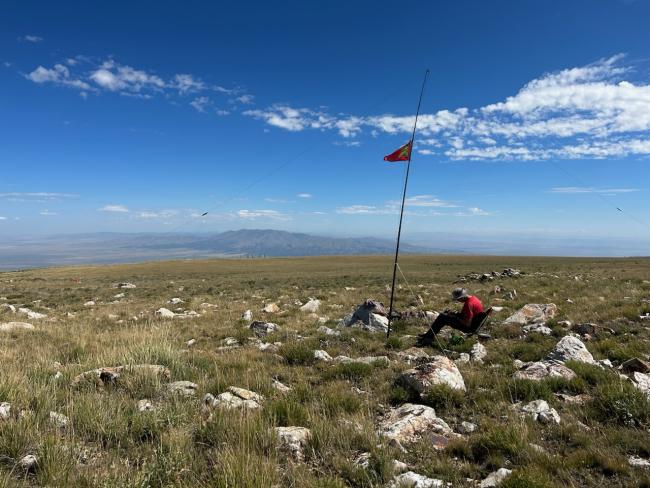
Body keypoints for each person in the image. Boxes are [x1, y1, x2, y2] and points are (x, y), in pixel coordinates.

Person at [416, 287, 484, 346]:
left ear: (462, 297)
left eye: (458, 299)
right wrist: (455, 314)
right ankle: (428, 335)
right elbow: (467, 316)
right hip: (474, 324)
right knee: (444, 315)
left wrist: (456, 317)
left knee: (442, 318)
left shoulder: (468, 304)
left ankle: (428, 337)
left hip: (469, 328)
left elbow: (467, 323)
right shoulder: (474, 298)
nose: (457, 300)